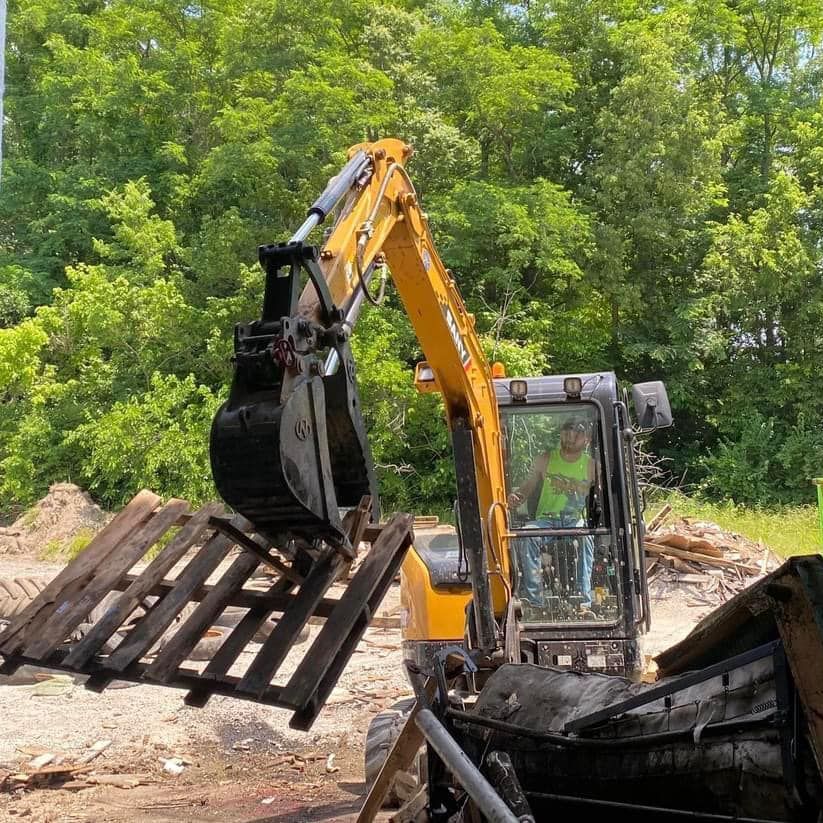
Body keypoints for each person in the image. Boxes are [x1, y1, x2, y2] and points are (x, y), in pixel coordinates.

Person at [507, 417, 596, 608]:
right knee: (528, 535)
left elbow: (604, 496)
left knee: (586, 535)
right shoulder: (545, 459)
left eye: (576, 434)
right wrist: (514, 498)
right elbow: (526, 489)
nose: (570, 438)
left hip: (573, 521)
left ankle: (583, 599)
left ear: (586, 439)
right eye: (567, 433)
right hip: (546, 521)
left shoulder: (591, 466)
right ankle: (535, 600)